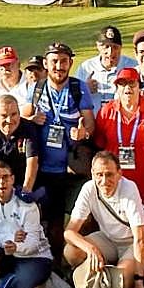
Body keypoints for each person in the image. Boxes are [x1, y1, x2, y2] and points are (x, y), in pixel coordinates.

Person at [21, 42, 95, 263]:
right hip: (45, 168)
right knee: (51, 220)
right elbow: (22, 117)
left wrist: (84, 133)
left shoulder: (78, 87)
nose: (59, 66)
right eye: (54, 61)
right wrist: (31, 119)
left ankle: (82, 261)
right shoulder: (36, 88)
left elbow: (90, 123)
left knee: (82, 218)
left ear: (71, 63)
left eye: (64, 61)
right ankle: (54, 265)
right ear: (46, 63)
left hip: (73, 168)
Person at [64, 152, 144, 288]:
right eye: (99, 175)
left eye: (109, 174)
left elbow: (140, 239)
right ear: (92, 174)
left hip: (132, 242)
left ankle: (141, 274)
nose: (104, 181)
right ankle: (95, 276)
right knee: (71, 251)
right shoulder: (89, 188)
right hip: (108, 239)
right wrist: (91, 250)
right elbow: (69, 232)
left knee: (123, 281)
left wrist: (139, 286)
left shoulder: (129, 188)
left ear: (120, 173)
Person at [0, 161, 65, 288]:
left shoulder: (28, 205)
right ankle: (3, 282)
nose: (1, 182)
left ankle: (46, 284)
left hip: (35, 256)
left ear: (13, 179)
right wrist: (11, 239)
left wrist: (16, 247)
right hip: (8, 250)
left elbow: (34, 243)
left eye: (5, 177)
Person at [93, 67, 144, 207]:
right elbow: (100, 146)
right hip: (115, 187)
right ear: (117, 88)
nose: (127, 88)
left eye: (132, 83)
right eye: (122, 84)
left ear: (140, 86)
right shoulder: (106, 112)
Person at [0, 95, 39, 196]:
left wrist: (26, 189)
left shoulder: (28, 128)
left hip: (20, 183)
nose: (9, 120)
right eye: (4, 116)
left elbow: (32, 162)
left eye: (14, 114)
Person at [75, 26, 138, 105]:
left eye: (115, 47)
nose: (110, 52)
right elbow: (72, 97)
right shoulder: (85, 68)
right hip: (93, 117)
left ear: (121, 47)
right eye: (106, 47)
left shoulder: (133, 67)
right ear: (98, 46)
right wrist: (84, 89)